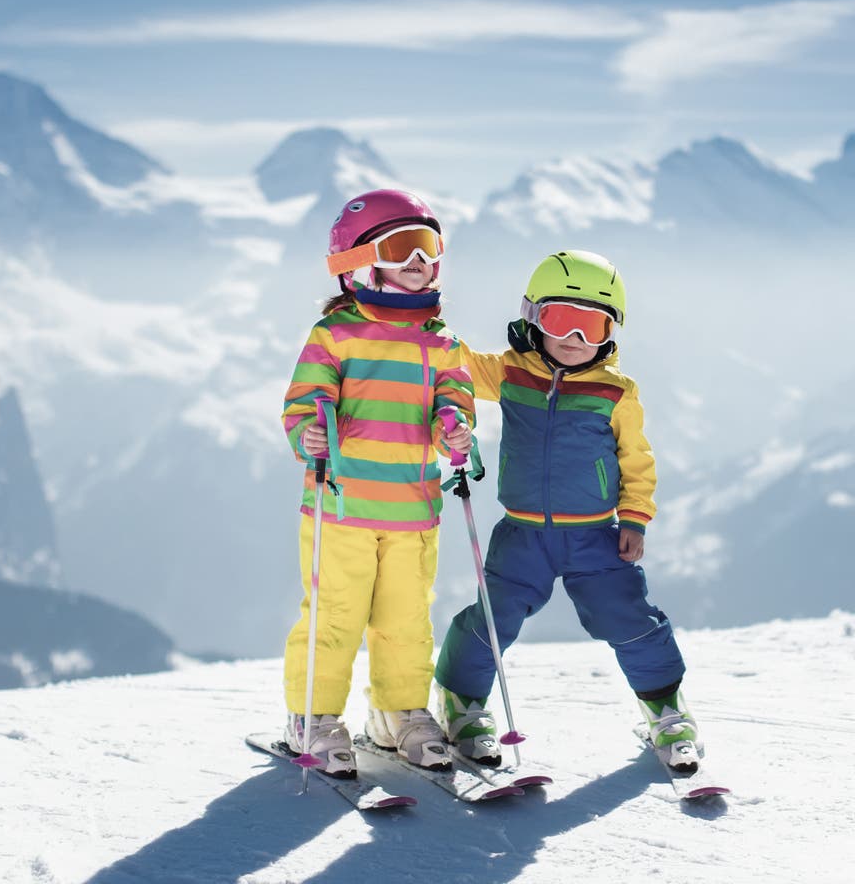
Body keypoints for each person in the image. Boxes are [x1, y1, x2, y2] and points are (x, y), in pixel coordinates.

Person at [433, 250, 702, 772]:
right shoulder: (511, 373)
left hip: (595, 537)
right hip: (523, 534)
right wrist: (425, 324)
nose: (575, 340)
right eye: (562, 320)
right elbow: (456, 361)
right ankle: (462, 704)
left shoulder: (615, 391)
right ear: (534, 317)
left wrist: (636, 517)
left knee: (627, 616)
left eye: (592, 326)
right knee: (495, 617)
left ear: (610, 333)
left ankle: (667, 710)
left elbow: (636, 460)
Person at [280, 188, 475, 774]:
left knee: (406, 619)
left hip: (412, 513)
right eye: (401, 248)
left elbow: (456, 398)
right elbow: (305, 401)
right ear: (359, 262)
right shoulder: (335, 335)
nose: (419, 261)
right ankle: (311, 717)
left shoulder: (443, 344)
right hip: (341, 506)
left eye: (427, 246)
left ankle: (399, 714)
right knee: (334, 615)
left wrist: (455, 427)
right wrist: (307, 433)